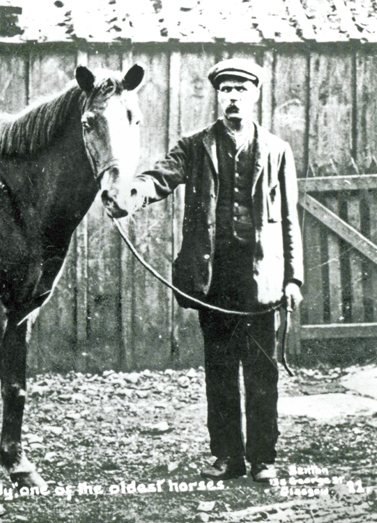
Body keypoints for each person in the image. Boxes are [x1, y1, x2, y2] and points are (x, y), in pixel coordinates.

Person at [128, 58, 304, 482]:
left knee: (262, 371)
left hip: (263, 278)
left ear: (255, 96)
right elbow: (161, 176)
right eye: (226, 91)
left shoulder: (278, 151)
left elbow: (290, 220)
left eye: (241, 91)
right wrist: (134, 191)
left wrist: (294, 278)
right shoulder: (194, 145)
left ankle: (263, 458)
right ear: (218, 97)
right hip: (214, 277)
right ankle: (227, 457)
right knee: (220, 369)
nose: (233, 99)